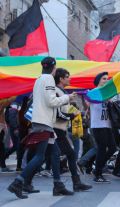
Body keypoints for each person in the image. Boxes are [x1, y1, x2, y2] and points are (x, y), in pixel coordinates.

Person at [8, 57, 76, 199]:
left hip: (42, 121)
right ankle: (17, 183)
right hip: (44, 122)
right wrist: (67, 98)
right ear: (54, 68)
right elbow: (51, 101)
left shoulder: (39, 79)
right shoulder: (48, 79)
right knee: (40, 156)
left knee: (55, 153)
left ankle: (57, 185)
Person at [53, 68, 92, 191]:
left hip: (60, 130)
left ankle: (23, 180)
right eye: (67, 76)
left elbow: (64, 111)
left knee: (50, 156)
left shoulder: (62, 92)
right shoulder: (56, 92)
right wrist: (72, 116)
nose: (69, 79)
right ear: (61, 79)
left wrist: (74, 112)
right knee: (43, 157)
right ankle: (22, 180)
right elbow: (58, 114)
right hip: (55, 129)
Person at [90, 72, 117, 183]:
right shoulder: (93, 91)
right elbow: (88, 102)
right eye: (103, 79)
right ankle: (98, 174)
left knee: (112, 148)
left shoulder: (107, 93)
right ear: (98, 80)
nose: (106, 80)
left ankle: (95, 167)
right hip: (97, 125)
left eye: (107, 79)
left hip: (107, 124)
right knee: (102, 149)